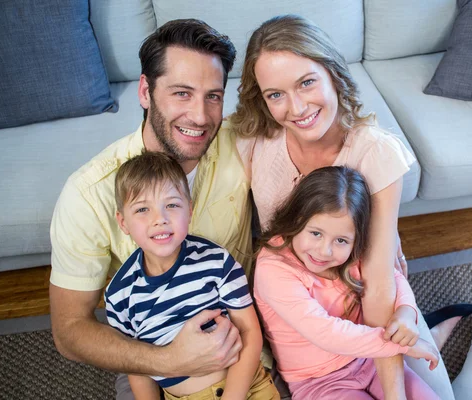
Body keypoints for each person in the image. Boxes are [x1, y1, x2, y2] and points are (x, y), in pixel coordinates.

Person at [233, 15, 472, 400]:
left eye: (306, 82)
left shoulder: (374, 151)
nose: (295, 108)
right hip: (308, 342)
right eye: (275, 94)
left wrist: (396, 387)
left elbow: (381, 282)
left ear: (332, 72)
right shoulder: (254, 144)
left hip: (374, 312)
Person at [49, 19, 251, 400]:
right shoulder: (87, 194)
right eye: (181, 93)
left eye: (213, 96)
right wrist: (169, 361)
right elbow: (69, 330)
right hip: (151, 361)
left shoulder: (242, 143)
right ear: (145, 91)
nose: (200, 116)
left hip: (244, 334)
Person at [254, 166, 439, 400]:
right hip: (319, 382)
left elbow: (391, 276)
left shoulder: (355, 252)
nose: (324, 251)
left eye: (341, 240)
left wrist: (405, 311)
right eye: (316, 233)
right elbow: (325, 332)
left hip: (370, 360)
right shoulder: (273, 267)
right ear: (297, 219)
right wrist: (402, 346)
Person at [105, 151, 279, 400]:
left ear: (190, 209)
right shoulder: (119, 294)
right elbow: (136, 364)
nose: (160, 219)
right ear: (123, 222)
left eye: (172, 205)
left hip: (245, 388)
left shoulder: (217, 261)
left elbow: (250, 330)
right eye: (143, 209)